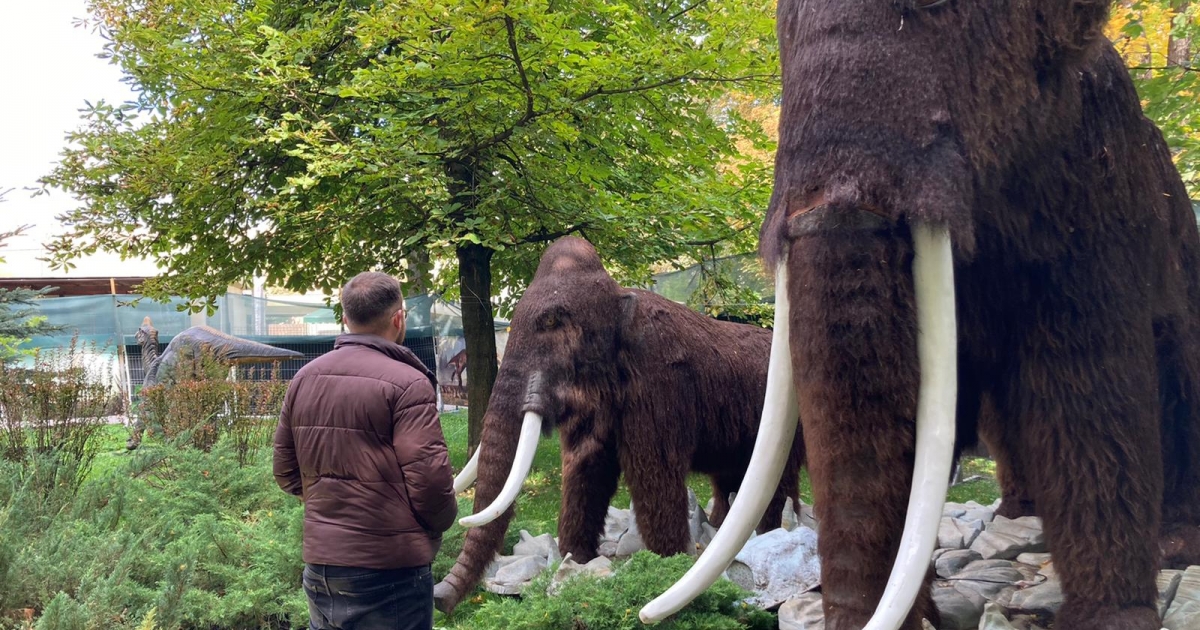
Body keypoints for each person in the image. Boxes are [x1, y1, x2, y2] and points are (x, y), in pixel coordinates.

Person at [274, 272, 457, 630]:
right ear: (399, 318)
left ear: (345, 318)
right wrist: (438, 523)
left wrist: (330, 502)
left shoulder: (304, 378)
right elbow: (431, 482)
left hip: (322, 568)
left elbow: (285, 471)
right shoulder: (408, 383)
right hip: (390, 573)